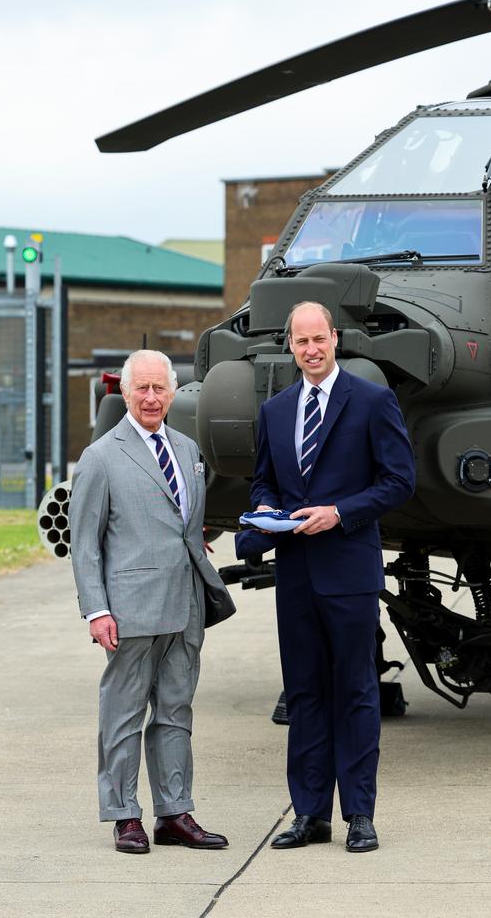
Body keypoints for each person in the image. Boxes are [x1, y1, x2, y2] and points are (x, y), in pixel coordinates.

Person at [251, 301, 415, 852]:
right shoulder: (274, 411)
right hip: (295, 574)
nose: (311, 350)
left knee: (355, 691)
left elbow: (399, 481)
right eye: (301, 342)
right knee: (304, 696)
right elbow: (263, 485)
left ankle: (360, 816)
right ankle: (310, 814)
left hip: (348, 572)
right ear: (290, 346)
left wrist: (340, 512)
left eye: (319, 339)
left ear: (335, 339)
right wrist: (266, 512)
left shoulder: (372, 401)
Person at [69, 349, 235, 854]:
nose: (150, 397)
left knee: (175, 712)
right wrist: (96, 610)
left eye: (159, 388)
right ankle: (123, 815)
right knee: (122, 714)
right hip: (130, 609)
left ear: (173, 391)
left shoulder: (187, 450)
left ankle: (175, 813)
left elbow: (184, 523)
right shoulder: (101, 456)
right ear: (124, 393)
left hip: (184, 607)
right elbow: (85, 542)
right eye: (140, 388)